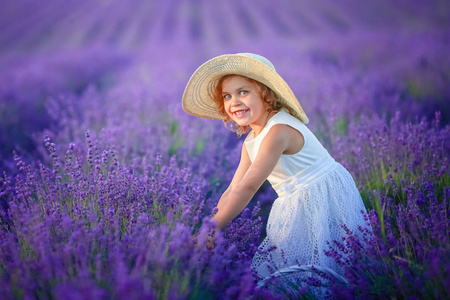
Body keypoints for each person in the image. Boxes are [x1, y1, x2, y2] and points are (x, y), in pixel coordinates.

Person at [182, 53, 368, 292]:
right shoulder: (252, 140)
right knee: (295, 270)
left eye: (243, 92)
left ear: (267, 94)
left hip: (323, 197)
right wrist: (208, 227)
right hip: (294, 202)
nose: (234, 101)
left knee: (326, 265)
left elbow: (249, 187)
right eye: (227, 96)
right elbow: (233, 189)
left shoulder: (278, 130)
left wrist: (214, 227)